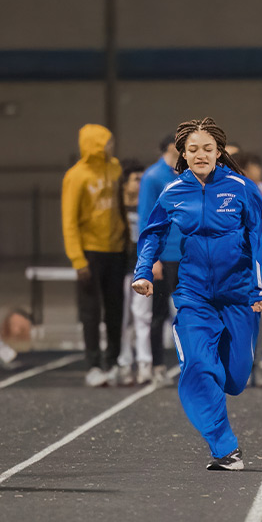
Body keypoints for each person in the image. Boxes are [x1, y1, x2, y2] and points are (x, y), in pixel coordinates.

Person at [133, 119, 262, 470]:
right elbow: (152, 232)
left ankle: (217, 385)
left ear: (219, 152)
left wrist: (260, 285)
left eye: (207, 148)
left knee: (236, 379)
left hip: (239, 294)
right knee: (197, 366)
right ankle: (224, 447)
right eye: (192, 149)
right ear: (182, 153)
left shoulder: (242, 187)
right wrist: (143, 270)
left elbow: (260, 237)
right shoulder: (174, 190)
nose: (200, 154)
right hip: (194, 294)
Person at [61, 124, 128, 387]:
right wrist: (78, 260)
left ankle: (113, 362)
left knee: (115, 311)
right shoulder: (76, 176)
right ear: (95, 144)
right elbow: (69, 221)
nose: (111, 146)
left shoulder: (116, 168)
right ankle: (93, 365)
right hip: (90, 253)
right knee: (91, 312)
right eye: (107, 142)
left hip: (116, 251)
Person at [232, 151, 262, 386]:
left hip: (260, 266)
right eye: (255, 166)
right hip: (237, 267)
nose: (259, 171)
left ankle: (256, 366)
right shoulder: (230, 192)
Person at [140, 134, 183, 383]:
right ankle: (157, 365)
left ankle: (191, 365)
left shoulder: (186, 175)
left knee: (190, 312)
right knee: (159, 313)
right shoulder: (153, 176)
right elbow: (146, 218)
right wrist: (151, 258)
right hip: (164, 256)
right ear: (171, 147)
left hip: (187, 255)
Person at [117, 159, 153, 384]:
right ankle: (123, 363)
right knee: (122, 319)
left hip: (140, 268)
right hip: (120, 267)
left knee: (142, 317)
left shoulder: (146, 205)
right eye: (136, 179)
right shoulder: (116, 208)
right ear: (124, 183)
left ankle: (144, 363)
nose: (140, 184)